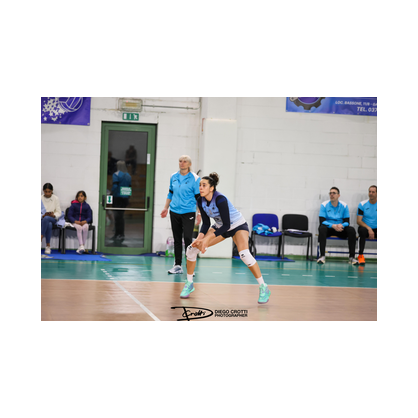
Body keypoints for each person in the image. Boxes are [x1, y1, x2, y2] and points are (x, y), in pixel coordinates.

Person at [181, 172, 272, 305]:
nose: (200, 187)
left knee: (244, 254)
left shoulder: (220, 199)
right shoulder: (200, 200)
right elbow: (205, 223)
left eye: (204, 185)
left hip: (237, 226)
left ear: (211, 188)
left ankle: (263, 287)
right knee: (192, 249)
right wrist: (200, 239)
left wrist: (207, 239)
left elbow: (227, 225)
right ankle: (189, 283)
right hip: (220, 226)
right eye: (200, 185)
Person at [161, 155, 201, 274]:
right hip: (174, 211)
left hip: (188, 212)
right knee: (177, 239)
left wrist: (199, 213)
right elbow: (170, 193)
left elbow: (198, 198)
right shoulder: (173, 176)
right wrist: (166, 208)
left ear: (189, 164)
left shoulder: (195, 178)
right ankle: (177, 265)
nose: (182, 163)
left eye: (185, 161)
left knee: (188, 238)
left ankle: (190, 267)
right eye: (180, 161)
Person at [318, 187, 358, 265]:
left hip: (340, 228)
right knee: (321, 228)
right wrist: (332, 225)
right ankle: (322, 256)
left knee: (351, 230)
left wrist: (341, 225)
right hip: (329, 228)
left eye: (334, 193)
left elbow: (347, 222)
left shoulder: (344, 205)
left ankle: (352, 257)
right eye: (330, 193)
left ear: (338, 195)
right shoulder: (324, 205)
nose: (332, 195)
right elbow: (322, 221)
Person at [357, 185, 377, 265]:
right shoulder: (362, 204)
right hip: (365, 228)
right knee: (362, 231)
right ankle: (360, 255)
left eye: (373, 192)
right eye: (369, 192)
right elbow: (359, 221)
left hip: (376, 228)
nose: (371, 193)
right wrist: (369, 228)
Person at [41, 183, 62, 255]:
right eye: (46, 191)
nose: (47, 193)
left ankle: (41, 236)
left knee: (47, 219)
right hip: (43, 219)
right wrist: (43, 215)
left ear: (52, 191)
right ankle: (48, 246)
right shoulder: (41, 198)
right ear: (43, 191)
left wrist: (53, 215)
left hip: (53, 218)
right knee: (48, 223)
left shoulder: (56, 198)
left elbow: (59, 212)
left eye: (49, 192)